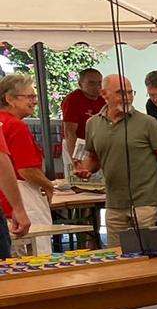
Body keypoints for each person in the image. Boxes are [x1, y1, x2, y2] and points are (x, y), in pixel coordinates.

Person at [81, 75, 157, 235]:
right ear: (104, 94)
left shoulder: (147, 123)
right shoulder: (92, 124)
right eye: (121, 93)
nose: (127, 97)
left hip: (146, 202)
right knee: (116, 249)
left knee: (145, 248)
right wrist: (85, 170)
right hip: (114, 204)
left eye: (130, 92)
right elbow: (93, 157)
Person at [0, 73, 52, 254]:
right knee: (36, 256)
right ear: (10, 99)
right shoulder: (16, 125)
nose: (34, 101)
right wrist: (48, 185)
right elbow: (26, 170)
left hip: (5, 206)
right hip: (22, 200)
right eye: (29, 97)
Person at [61, 67, 105, 170]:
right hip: (78, 143)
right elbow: (69, 132)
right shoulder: (73, 99)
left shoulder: (103, 99)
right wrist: (76, 160)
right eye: (91, 83)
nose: (97, 86)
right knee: (80, 174)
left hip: (96, 144)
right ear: (80, 84)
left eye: (100, 83)